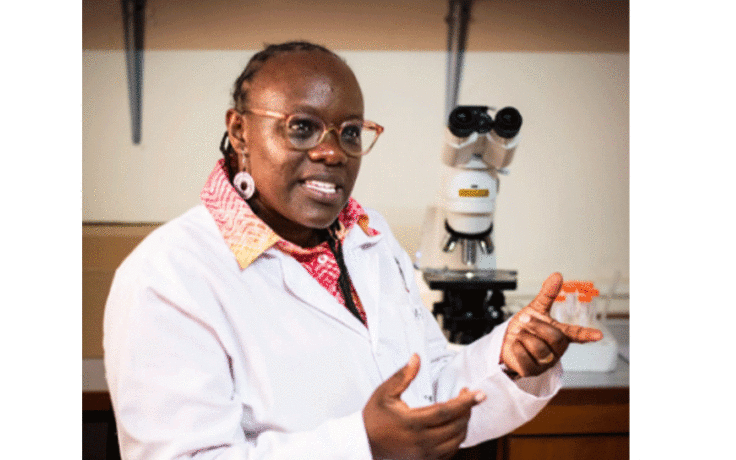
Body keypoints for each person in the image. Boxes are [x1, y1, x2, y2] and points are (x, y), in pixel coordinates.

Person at [103, 41, 603, 460]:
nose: (332, 152)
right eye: (301, 127)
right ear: (239, 131)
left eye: (349, 133)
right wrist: (363, 445)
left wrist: (510, 361)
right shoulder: (168, 274)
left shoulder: (368, 237)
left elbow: (429, 389)